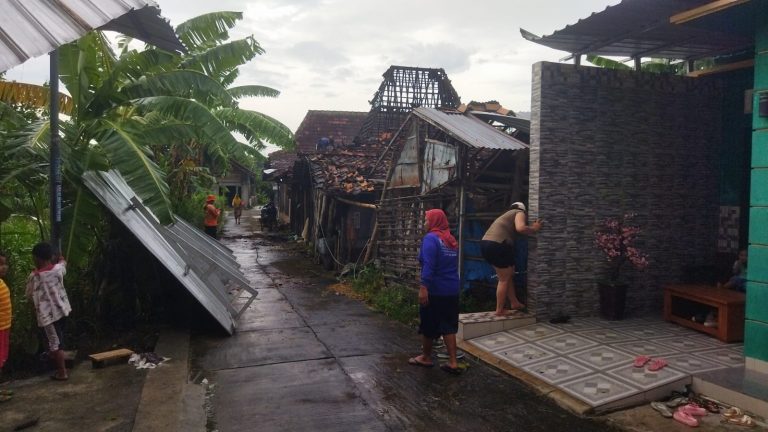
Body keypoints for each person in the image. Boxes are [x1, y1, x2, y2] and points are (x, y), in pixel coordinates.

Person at [408, 209, 462, 375]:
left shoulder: (431, 239)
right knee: (448, 325)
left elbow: (429, 266)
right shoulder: (450, 240)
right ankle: (453, 362)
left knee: (429, 325)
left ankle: (426, 357)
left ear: (434, 221)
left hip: (435, 289)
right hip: (452, 289)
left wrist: (424, 287)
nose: (424, 223)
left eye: (426, 220)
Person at [481, 202, 542, 316]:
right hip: (497, 245)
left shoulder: (506, 215)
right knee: (503, 278)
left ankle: (514, 302)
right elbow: (520, 228)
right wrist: (534, 228)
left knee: (508, 273)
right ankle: (499, 310)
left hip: (486, 244)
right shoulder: (519, 212)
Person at [25, 242, 71, 381]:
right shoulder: (57, 270)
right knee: (58, 340)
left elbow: (28, 294)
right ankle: (54, 357)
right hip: (62, 312)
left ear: (36, 258)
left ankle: (62, 372)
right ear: (51, 257)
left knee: (55, 343)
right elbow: (63, 266)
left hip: (48, 317)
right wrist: (62, 260)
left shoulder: (34, 277)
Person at [0, 250, 12, 401]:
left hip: (4, 326)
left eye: (4, 264)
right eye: (0, 264)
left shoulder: (2, 282)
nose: (3, 267)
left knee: (1, 360)